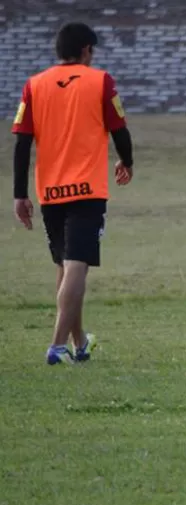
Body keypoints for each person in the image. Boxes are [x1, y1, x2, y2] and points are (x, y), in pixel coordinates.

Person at [11, 22, 134, 365]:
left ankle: (80, 343)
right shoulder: (100, 82)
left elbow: (21, 144)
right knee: (77, 266)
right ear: (86, 51)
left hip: (50, 191)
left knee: (65, 267)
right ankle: (57, 345)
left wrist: (19, 194)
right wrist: (127, 161)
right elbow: (119, 128)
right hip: (88, 189)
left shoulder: (34, 86)